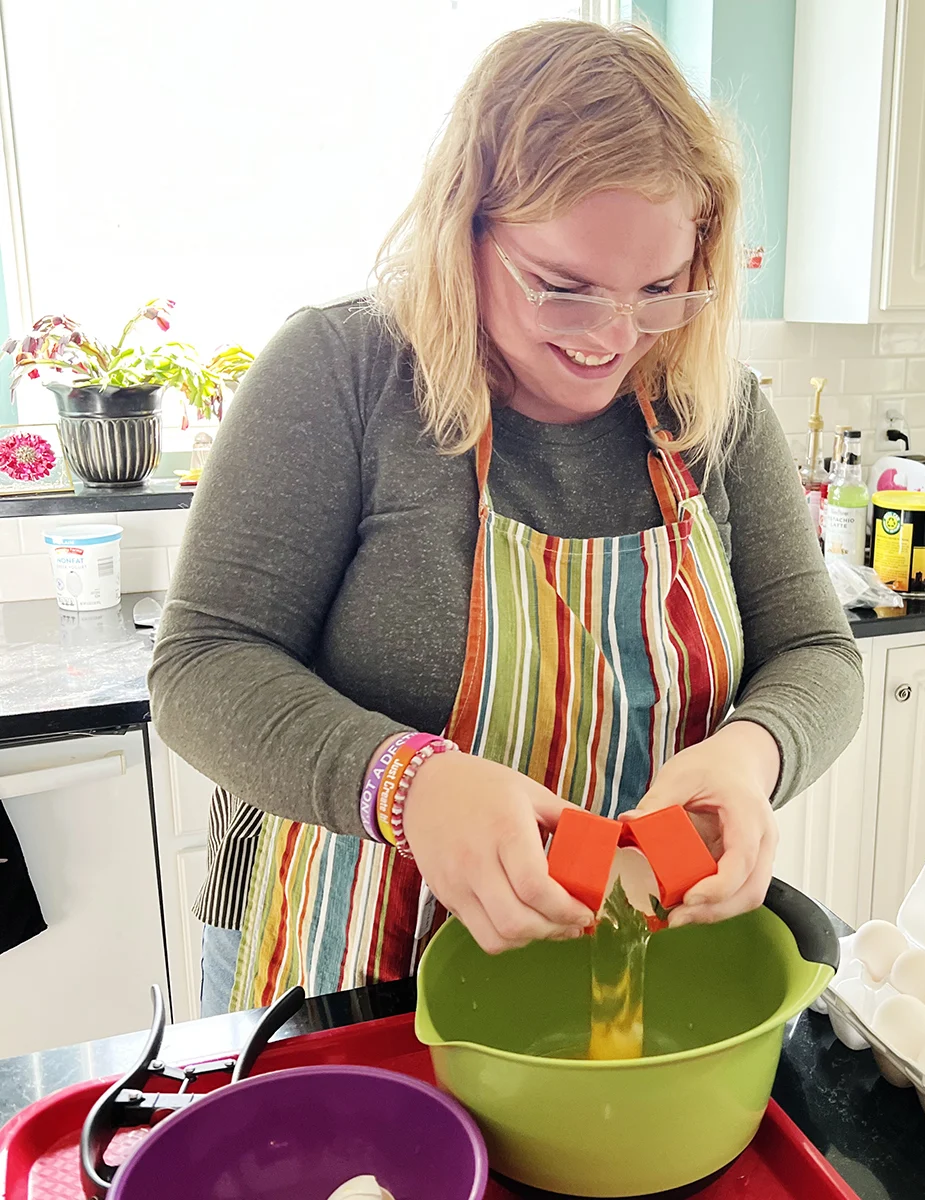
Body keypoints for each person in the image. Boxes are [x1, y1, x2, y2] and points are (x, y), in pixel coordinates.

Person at [149, 19, 863, 1017]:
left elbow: (819, 653)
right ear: (466, 228)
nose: (616, 339)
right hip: (351, 973)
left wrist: (751, 757)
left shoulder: (713, 407)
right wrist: (411, 786)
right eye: (565, 291)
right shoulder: (342, 376)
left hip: (626, 961)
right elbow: (202, 663)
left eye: (660, 291)